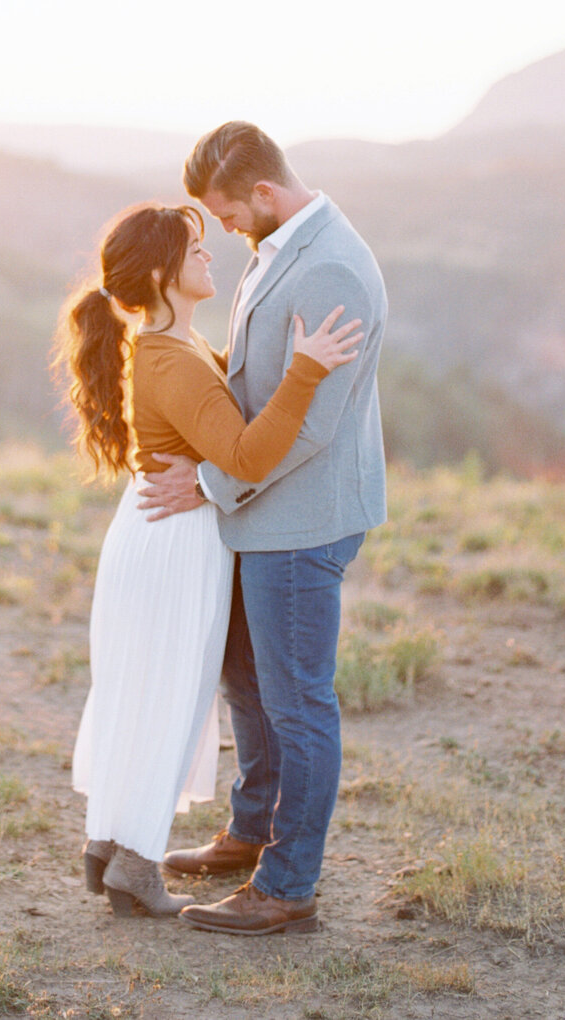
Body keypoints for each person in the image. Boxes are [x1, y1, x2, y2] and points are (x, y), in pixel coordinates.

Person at [55, 201, 363, 918]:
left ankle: (109, 844)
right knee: (171, 695)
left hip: (157, 534)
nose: (208, 257)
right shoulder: (173, 360)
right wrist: (307, 372)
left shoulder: (173, 347)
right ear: (163, 274)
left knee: (143, 688)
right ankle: (134, 861)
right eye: (195, 250)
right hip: (173, 546)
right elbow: (250, 455)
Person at [139, 122, 387, 936]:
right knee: (248, 686)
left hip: (297, 521)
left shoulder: (332, 269)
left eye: (230, 215)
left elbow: (310, 427)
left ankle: (287, 886)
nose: (228, 230)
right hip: (264, 514)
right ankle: (251, 832)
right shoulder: (283, 243)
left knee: (297, 705)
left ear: (265, 194)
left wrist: (210, 482)